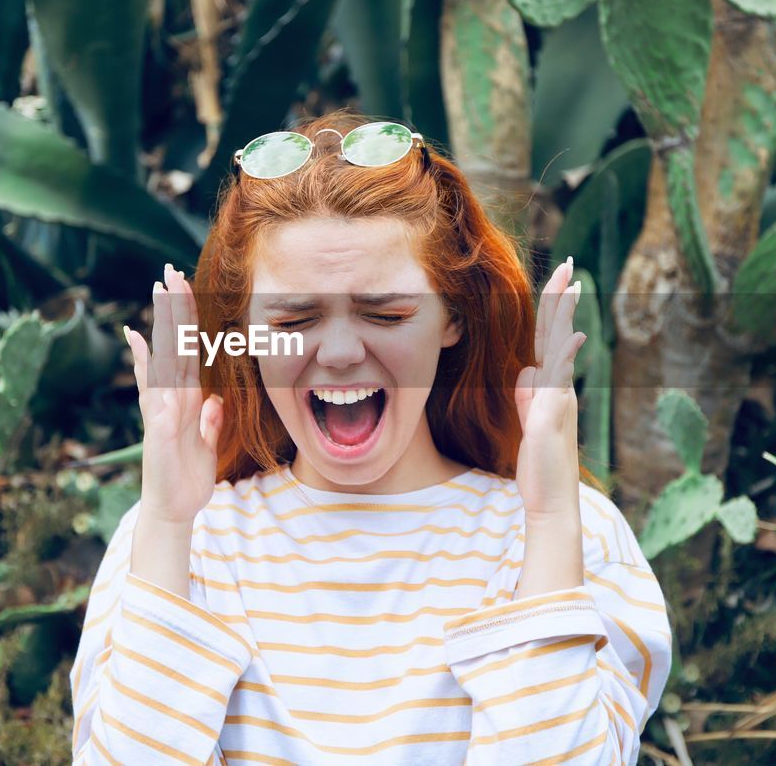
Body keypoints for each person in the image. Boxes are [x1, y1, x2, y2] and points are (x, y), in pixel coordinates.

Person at [70, 111, 672, 764]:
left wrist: (551, 522)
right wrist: (165, 524)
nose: (339, 353)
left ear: (453, 316)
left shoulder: (580, 537)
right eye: (293, 320)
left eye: (385, 314)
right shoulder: (171, 541)